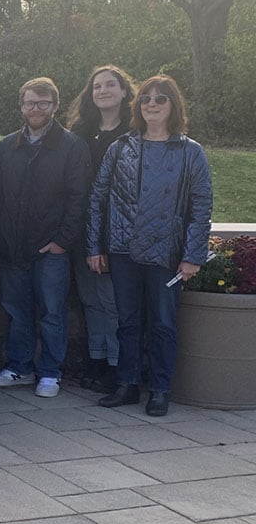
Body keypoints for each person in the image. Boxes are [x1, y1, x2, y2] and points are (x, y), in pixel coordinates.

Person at [88, 75, 212, 417]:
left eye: (160, 99)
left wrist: (192, 255)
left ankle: (159, 389)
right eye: (146, 99)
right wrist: (94, 246)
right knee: (127, 321)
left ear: (174, 105)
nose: (152, 105)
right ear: (137, 105)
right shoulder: (120, 148)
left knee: (163, 323)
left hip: (166, 253)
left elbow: (201, 207)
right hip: (122, 250)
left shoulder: (191, 152)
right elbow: (98, 198)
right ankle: (127, 384)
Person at [0, 78, 91, 399]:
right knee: (17, 311)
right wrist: (1, 235)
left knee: (52, 312)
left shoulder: (72, 147)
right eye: (30, 103)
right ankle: (19, 366)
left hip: (51, 248)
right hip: (13, 245)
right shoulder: (7, 146)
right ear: (21, 106)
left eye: (43, 103)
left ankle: (50, 371)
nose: (36, 109)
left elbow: (79, 198)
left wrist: (62, 241)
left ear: (54, 106)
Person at [66, 65, 136, 392]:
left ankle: (116, 365)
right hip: (81, 229)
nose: (103, 91)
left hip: (115, 230)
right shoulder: (81, 133)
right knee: (90, 299)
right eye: (97, 86)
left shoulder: (133, 134)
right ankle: (97, 357)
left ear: (124, 92)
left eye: (111, 85)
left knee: (111, 301)